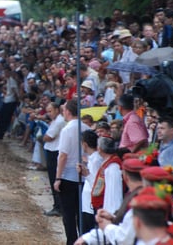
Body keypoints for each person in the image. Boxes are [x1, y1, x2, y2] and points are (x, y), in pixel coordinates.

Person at [75, 158, 147, 245]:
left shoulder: (138, 201)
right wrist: (113, 218)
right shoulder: (138, 195)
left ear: (125, 176)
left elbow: (124, 237)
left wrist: (107, 226)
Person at [54, 99, 91, 245]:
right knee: (81, 213)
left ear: (68, 112)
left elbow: (63, 155)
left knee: (69, 214)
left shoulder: (67, 129)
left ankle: (71, 241)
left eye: (64, 110)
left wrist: (58, 177)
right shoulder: (87, 128)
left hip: (69, 175)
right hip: (84, 174)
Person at [42, 102, 66, 217]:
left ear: (57, 110)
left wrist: (44, 137)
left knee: (54, 179)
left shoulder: (59, 121)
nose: (49, 114)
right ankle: (57, 205)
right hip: (52, 151)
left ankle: (58, 206)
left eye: (50, 111)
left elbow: (48, 137)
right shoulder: (57, 121)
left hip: (54, 152)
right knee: (53, 179)